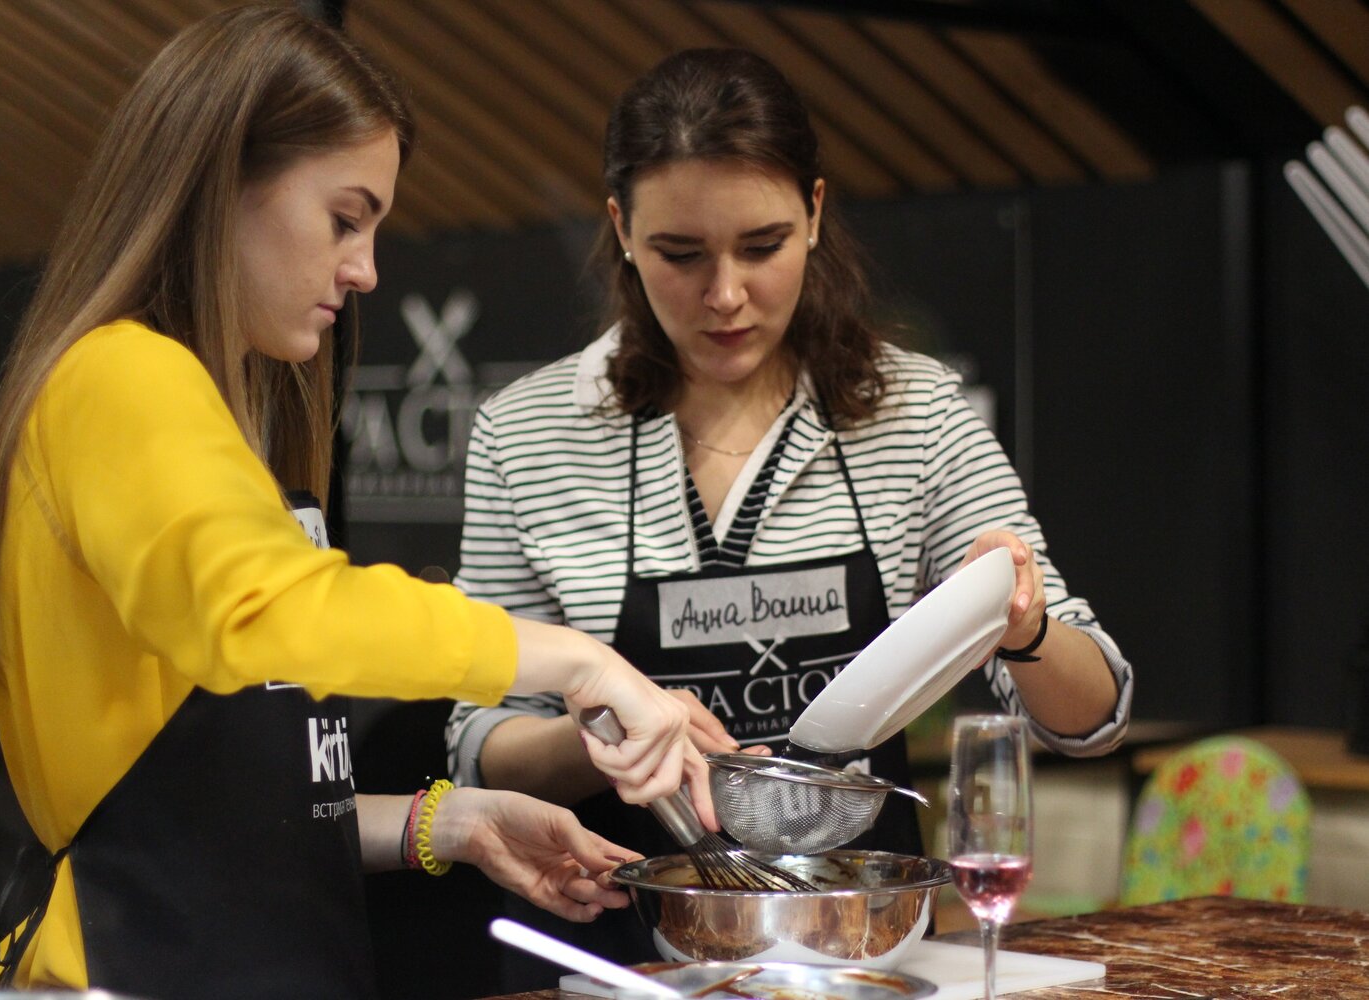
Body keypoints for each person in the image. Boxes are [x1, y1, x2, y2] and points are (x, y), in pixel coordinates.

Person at [0, 8, 711, 999]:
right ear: (222, 182)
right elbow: (261, 614)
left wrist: (451, 821)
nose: (365, 268)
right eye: (345, 218)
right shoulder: (121, 376)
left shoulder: (214, 411)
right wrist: (576, 661)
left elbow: (232, 805)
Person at [446, 47, 1134, 985]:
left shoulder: (916, 414)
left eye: (762, 246)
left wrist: (1027, 629)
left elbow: (1093, 717)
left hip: (865, 949)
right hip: (627, 951)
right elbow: (480, 746)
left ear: (814, 212)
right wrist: (605, 737)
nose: (725, 294)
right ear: (621, 230)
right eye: (681, 254)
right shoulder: (527, 433)